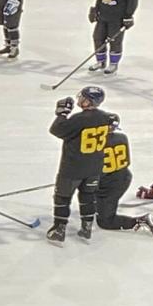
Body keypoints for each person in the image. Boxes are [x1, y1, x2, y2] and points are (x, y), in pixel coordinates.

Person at [46, 84, 112, 244]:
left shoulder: (79, 119)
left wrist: (62, 114)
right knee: (88, 196)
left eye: (83, 97)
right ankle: (87, 226)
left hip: (73, 168)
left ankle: (59, 228)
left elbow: (56, 130)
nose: (80, 99)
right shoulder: (105, 117)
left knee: (62, 197)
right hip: (94, 167)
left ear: (88, 101)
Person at [91, 112, 153, 237]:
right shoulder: (122, 137)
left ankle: (143, 220)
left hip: (109, 184)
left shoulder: (98, 142)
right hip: (123, 176)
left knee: (105, 222)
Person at [87, 0, 137, 74]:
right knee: (98, 37)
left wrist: (128, 16)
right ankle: (100, 61)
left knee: (115, 40)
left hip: (117, 17)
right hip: (104, 14)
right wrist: (96, 9)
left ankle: (113, 64)